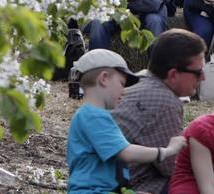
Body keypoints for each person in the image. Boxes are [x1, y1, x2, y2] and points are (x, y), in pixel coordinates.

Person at [66, 50, 188, 194]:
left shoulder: (91, 115)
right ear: (104, 79)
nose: (124, 91)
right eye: (121, 83)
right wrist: (167, 151)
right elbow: (127, 152)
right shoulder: (93, 116)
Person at [112, 30, 209, 194]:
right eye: (198, 72)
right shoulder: (166, 102)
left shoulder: (140, 82)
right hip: (124, 186)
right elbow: (172, 167)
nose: (203, 78)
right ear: (173, 75)